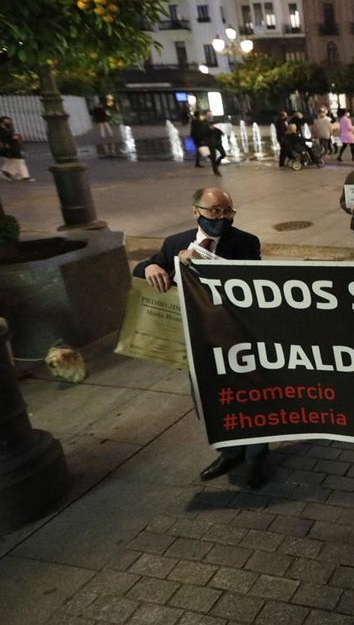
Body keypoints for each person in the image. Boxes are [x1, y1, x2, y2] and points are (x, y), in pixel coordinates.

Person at [131, 187, 270, 489]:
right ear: (196, 211)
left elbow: (253, 283)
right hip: (198, 342)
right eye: (215, 211)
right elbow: (147, 268)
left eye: (227, 211)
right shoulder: (175, 244)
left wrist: (204, 265)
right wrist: (151, 266)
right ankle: (230, 451)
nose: (222, 218)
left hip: (237, 338)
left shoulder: (245, 242)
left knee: (250, 400)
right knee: (212, 399)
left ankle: (258, 456)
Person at [0, 116, 35, 182]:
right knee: (18, 161)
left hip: (12, 147)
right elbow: (6, 139)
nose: (9, 123)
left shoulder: (7, 129)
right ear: (1, 123)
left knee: (18, 161)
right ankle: (5, 172)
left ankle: (22, 176)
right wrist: (14, 138)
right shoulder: (1, 131)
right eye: (7, 122)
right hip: (10, 148)